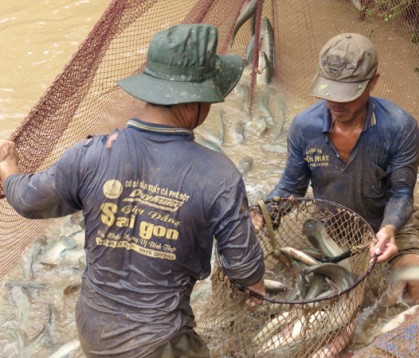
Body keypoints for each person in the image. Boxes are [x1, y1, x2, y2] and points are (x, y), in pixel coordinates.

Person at [0, 23, 266, 357]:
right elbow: (245, 269)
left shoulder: (90, 154)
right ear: (192, 103)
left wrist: (9, 166)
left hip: (94, 331)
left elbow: (25, 199)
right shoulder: (219, 176)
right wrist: (257, 299)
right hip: (160, 343)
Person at [254, 32, 419, 306]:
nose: (336, 103)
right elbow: (291, 188)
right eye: (330, 91)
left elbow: (401, 194)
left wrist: (389, 228)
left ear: (373, 82)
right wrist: (262, 212)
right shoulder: (305, 127)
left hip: (389, 224)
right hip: (333, 225)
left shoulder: (400, 127)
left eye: (348, 94)